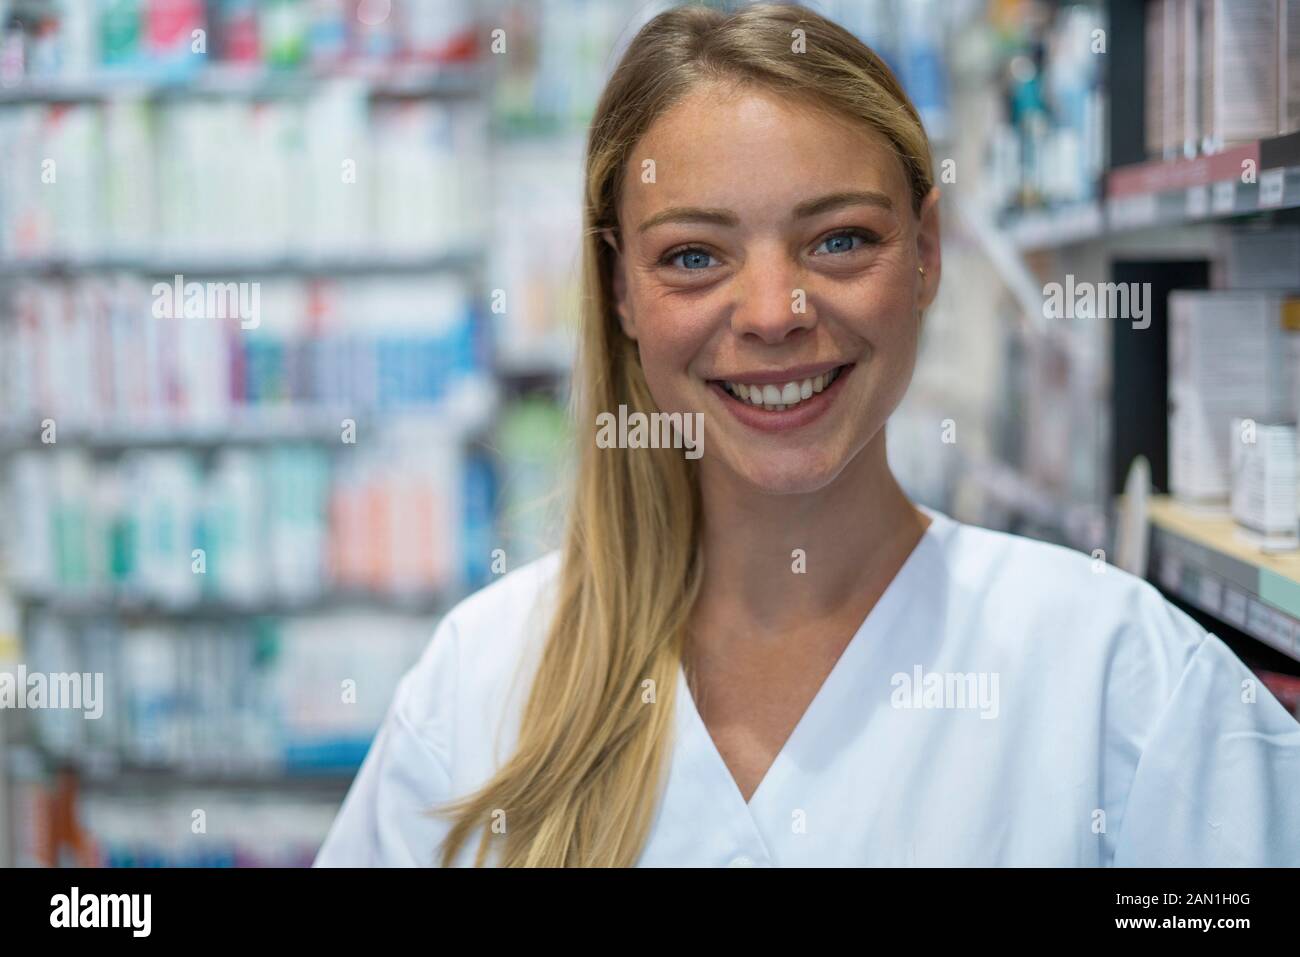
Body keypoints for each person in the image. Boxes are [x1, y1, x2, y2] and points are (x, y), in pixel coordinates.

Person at [315, 2, 1300, 867]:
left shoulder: (1118, 680)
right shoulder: (482, 685)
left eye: (838, 240)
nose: (774, 312)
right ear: (619, 289)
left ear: (926, 255)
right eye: (694, 255)